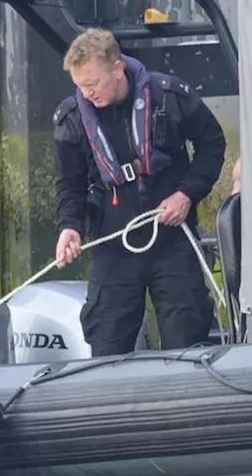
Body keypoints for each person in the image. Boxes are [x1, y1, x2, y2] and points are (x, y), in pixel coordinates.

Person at [52, 28, 227, 357]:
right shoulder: (72, 121)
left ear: (117, 70)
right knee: (107, 344)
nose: (87, 94)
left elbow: (212, 144)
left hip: (173, 240)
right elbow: (68, 185)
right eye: (80, 86)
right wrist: (69, 227)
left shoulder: (170, 97)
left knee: (186, 340)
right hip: (112, 246)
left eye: (93, 84)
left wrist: (187, 194)